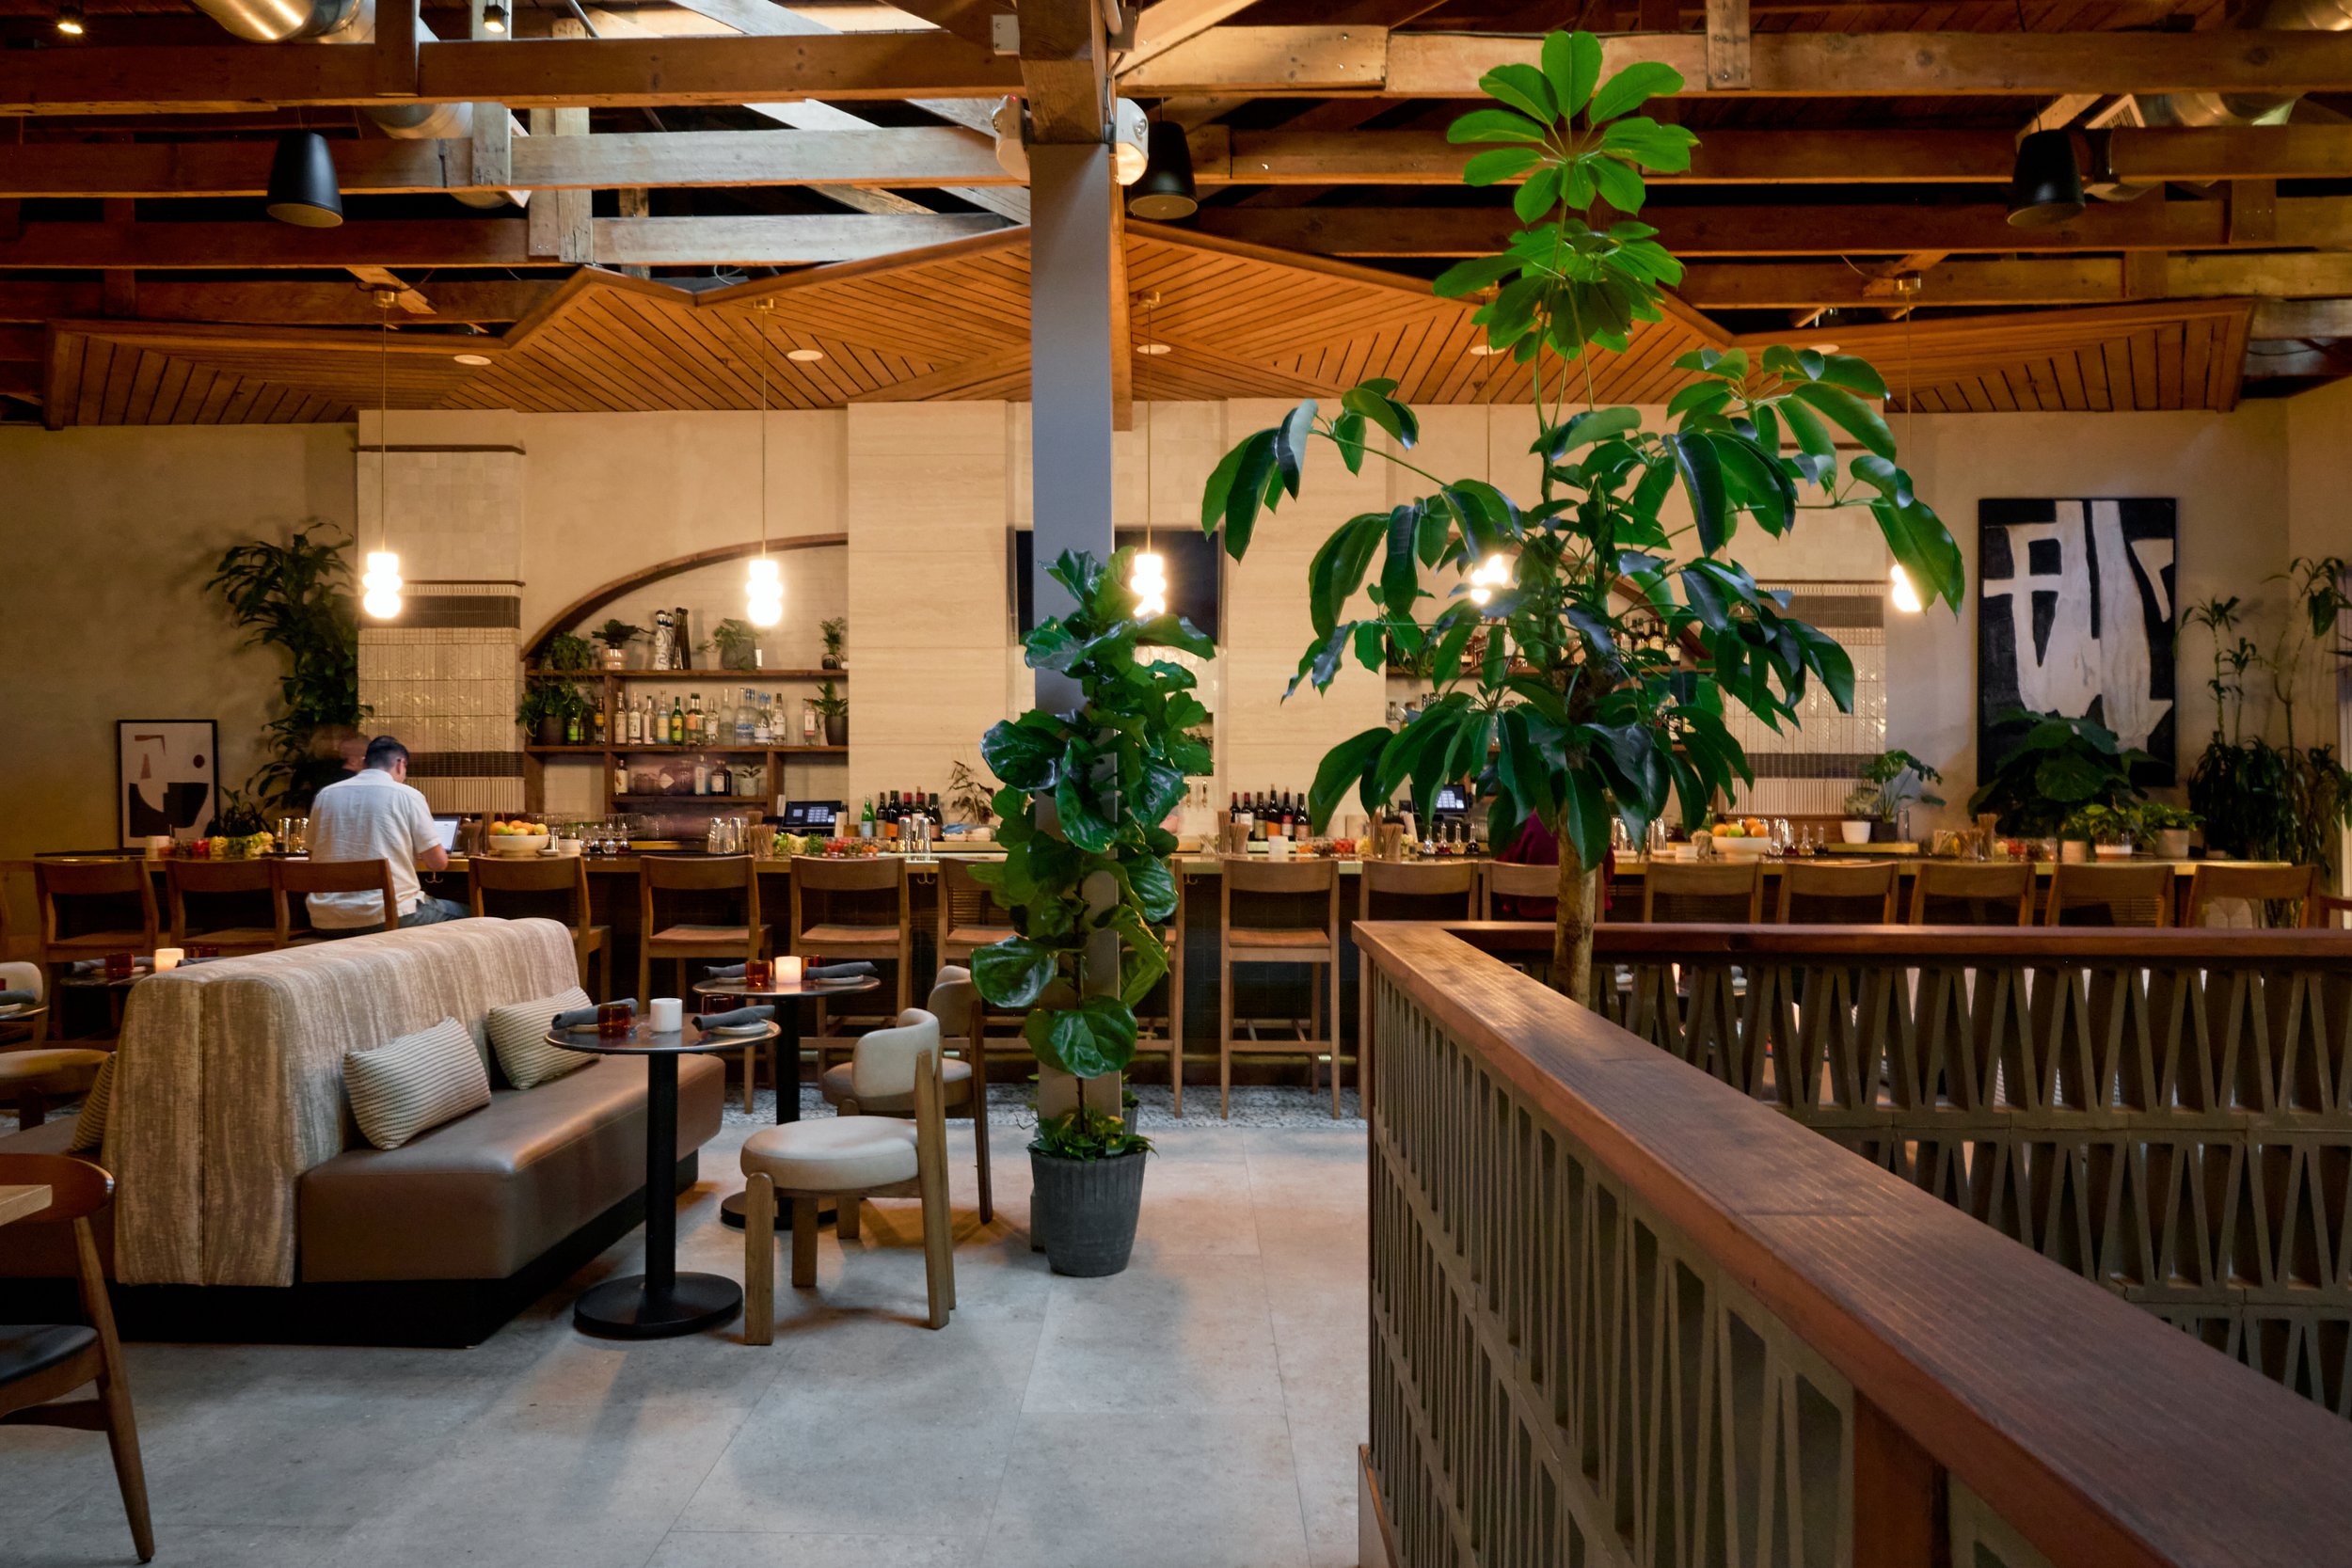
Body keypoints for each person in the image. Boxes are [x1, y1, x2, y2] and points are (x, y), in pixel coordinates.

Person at [304, 736, 465, 937]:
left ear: (365, 762)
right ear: (400, 764)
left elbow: (312, 856)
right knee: (474, 914)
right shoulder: (408, 795)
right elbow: (438, 863)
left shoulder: (326, 795)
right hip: (390, 917)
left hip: (326, 920)